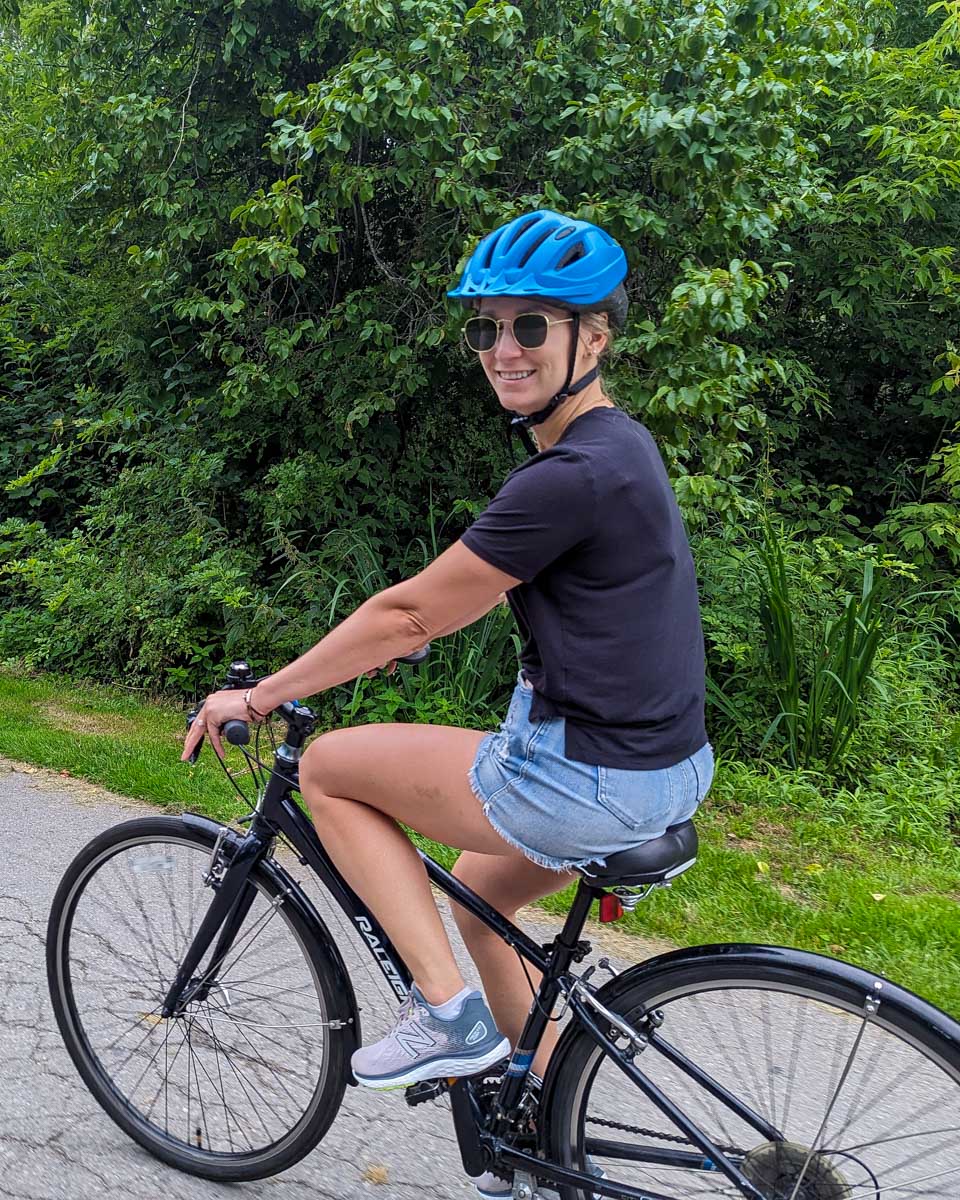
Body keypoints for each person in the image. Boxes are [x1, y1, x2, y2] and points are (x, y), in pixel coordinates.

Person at [181, 209, 713, 1199]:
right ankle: (551, 1123)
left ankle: (448, 1018)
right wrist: (389, 641)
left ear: (590, 337)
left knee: (333, 768)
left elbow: (411, 615)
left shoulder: (571, 475)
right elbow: (494, 605)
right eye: (486, 329)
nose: (502, 349)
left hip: (586, 777)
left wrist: (268, 692)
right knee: (482, 895)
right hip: (662, 765)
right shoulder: (619, 447)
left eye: (530, 327)